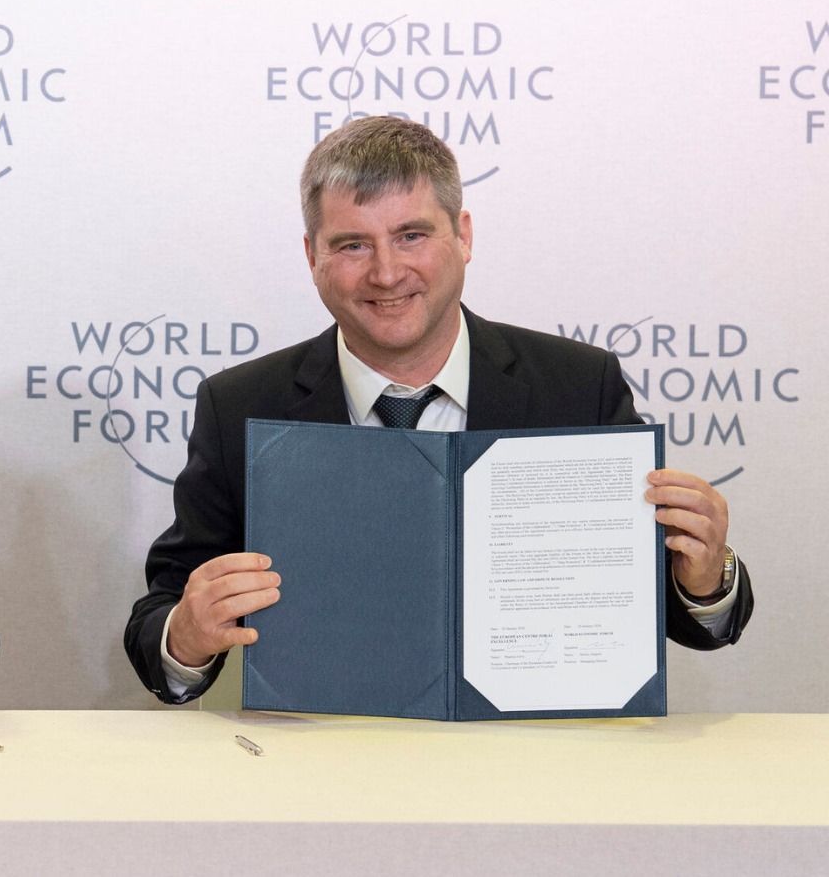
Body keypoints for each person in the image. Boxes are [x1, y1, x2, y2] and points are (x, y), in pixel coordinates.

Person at [125, 116, 754, 702]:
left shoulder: (577, 386)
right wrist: (187, 634)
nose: (387, 272)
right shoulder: (239, 405)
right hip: (323, 761)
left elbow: (671, 618)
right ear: (311, 256)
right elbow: (161, 620)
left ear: (464, 235)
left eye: (411, 236)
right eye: (351, 245)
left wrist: (704, 579)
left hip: (536, 758)